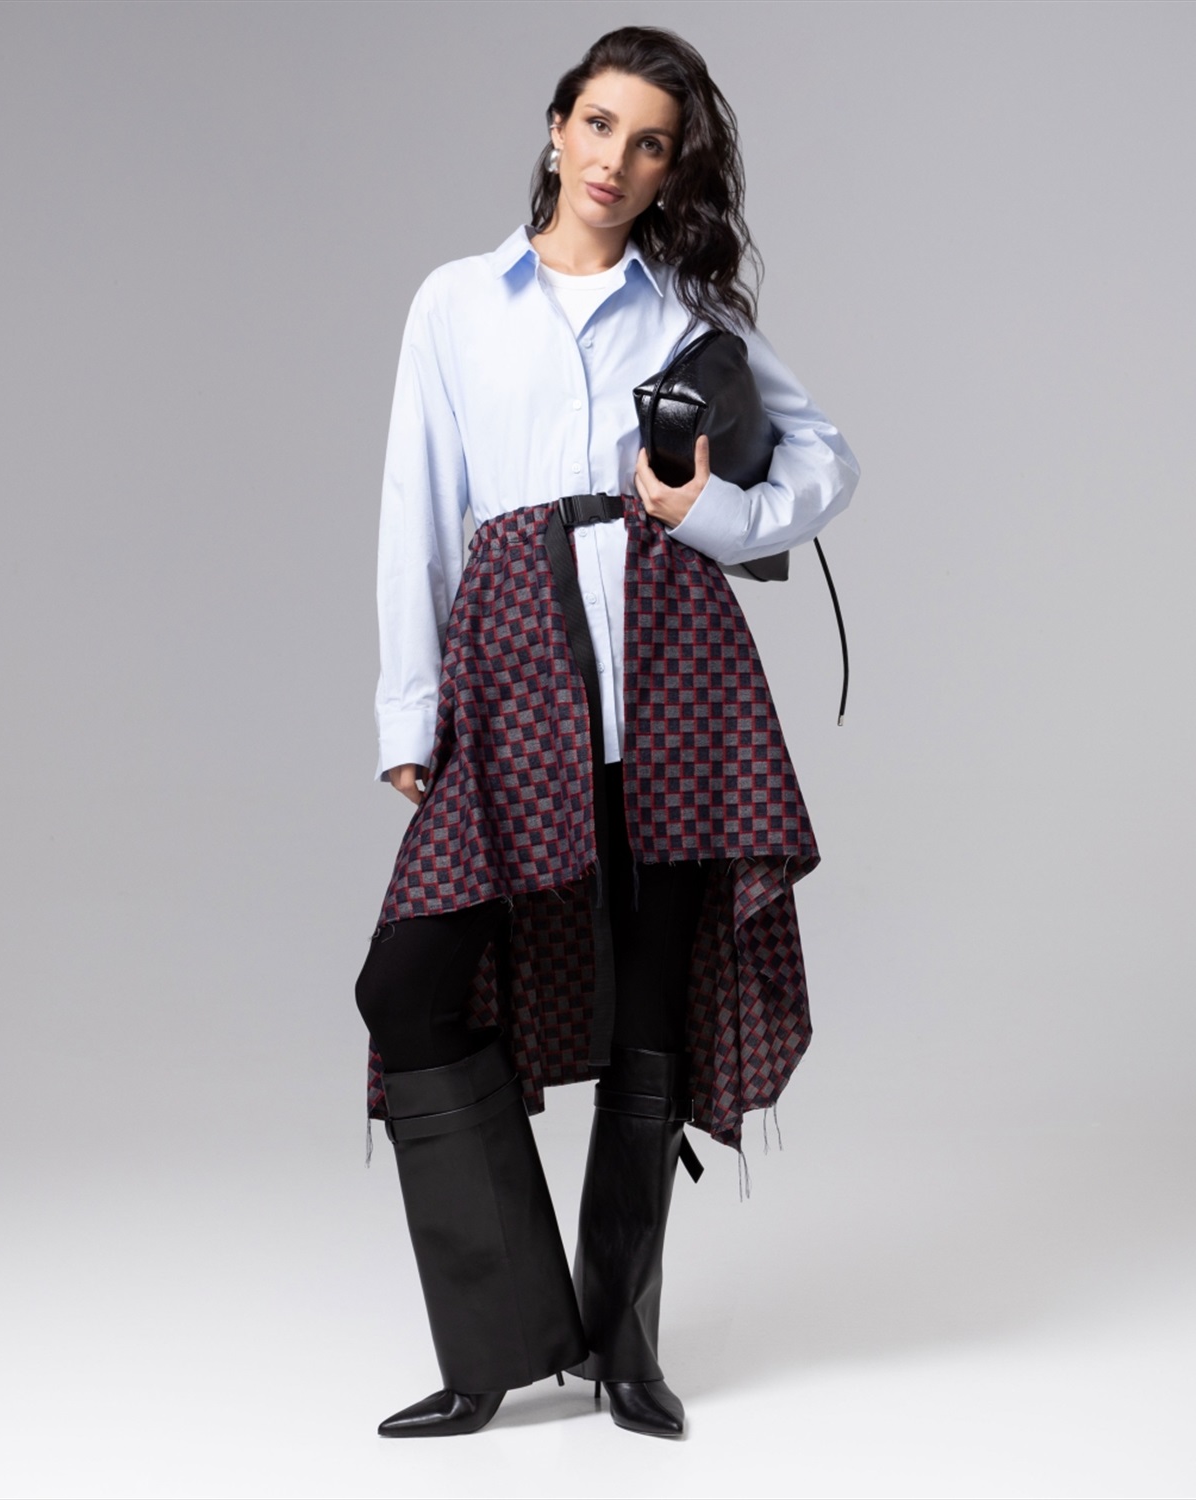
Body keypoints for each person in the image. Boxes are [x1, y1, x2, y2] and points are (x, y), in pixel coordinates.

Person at [354, 25, 858, 1440]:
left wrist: (718, 514)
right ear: (557, 125)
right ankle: (503, 1340)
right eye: (599, 125)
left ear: (669, 169)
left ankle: (624, 1347)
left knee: (649, 1014)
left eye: (650, 144)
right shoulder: (457, 303)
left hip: (677, 682)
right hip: (511, 676)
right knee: (409, 987)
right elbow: (418, 505)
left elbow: (827, 460)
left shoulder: (684, 312)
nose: (616, 161)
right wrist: (409, 707)